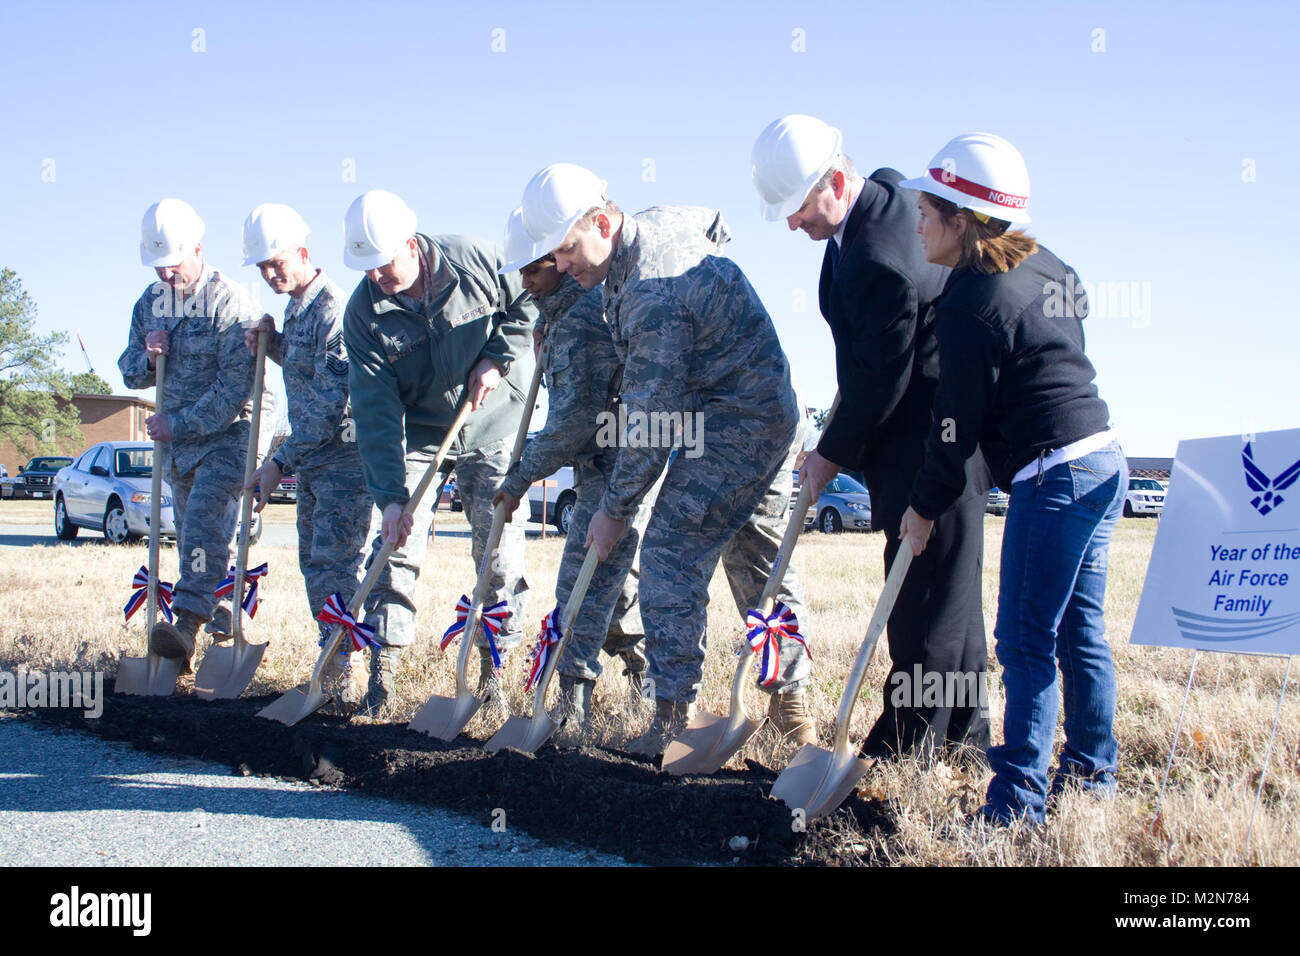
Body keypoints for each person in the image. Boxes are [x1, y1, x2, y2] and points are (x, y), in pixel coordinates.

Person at [514, 164, 816, 755]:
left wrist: (616, 508)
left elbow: (652, 424)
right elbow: (714, 224)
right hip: (772, 406)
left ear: (602, 221)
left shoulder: (651, 290)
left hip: (734, 419)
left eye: (568, 251)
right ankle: (793, 707)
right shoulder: (656, 226)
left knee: (668, 554)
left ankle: (673, 722)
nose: (565, 267)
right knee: (758, 558)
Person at [896, 132, 1126, 825]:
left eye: (928, 213)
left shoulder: (971, 302)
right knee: (1079, 634)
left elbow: (952, 422)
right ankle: (1090, 779)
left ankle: (1014, 807)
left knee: (1025, 642)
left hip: (1056, 474)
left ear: (962, 220)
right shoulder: (1049, 266)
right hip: (1105, 459)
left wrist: (924, 505)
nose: (917, 224)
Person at [751, 115, 991, 762]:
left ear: (835, 178)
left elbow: (883, 377)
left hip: (931, 440)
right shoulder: (877, 200)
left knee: (924, 600)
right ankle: (966, 744)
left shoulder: (881, 256)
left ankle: (905, 749)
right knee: (951, 599)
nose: (794, 224)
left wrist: (831, 452)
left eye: (798, 208)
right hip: (917, 436)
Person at [341, 189, 536, 717]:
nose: (375, 275)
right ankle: (384, 677)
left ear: (411, 243)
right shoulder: (363, 315)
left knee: (497, 553)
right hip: (423, 434)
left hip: (494, 422)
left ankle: (495, 675)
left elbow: (532, 296)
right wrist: (390, 497)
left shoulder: (473, 258)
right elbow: (376, 411)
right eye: (366, 267)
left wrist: (496, 357)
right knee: (394, 546)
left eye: (382, 262)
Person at [491, 208, 653, 744]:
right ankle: (645, 676)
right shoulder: (561, 317)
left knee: (580, 585)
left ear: (561, 263)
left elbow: (571, 427)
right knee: (609, 591)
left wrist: (517, 481)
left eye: (534, 269)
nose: (526, 282)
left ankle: (571, 709)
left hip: (619, 470)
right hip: (599, 467)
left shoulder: (582, 321)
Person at [240, 203, 371, 712]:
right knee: (315, 567)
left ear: (303, 252)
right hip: (315, 462)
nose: (271, 274)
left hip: (343, 460)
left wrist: (278, 463)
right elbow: (306, 369)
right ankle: (332, 661)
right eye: (263, 267)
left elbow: (329, 399)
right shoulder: (297, 309)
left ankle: (349, 675)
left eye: (278, 262)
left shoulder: (331, 306)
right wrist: (272, 345)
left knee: (336, 567)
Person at [118, 198, 255, 669]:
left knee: (200, 526)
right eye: (157, 266)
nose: (165, 276)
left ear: (197, 248)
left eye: (172, 265)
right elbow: (128, 370)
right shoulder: (149, 304)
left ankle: (186, 626)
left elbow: (235, 387)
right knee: (199, 538)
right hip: (175, 449)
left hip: (225, 438)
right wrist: (149, 358)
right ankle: (221, 615)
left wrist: (176, 424)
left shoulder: (228, 301)